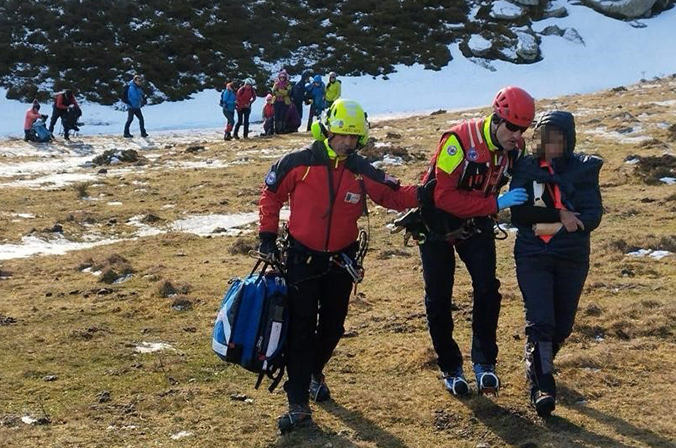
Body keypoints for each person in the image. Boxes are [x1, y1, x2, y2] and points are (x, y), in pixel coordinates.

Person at [258, 99, 418, 433]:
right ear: (329, 129)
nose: (346, 142)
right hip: (300, 259)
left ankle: (314, 373)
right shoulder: (298, 162)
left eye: (353, 137)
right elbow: (271, 194)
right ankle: (298, 401)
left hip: (340, 262)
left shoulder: (361, 170)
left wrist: (431, 190)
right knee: (301, 328)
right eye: (342, 134)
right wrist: (267, 237)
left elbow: (394, 196)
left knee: (333, 327)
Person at [415, 86, 534, 397]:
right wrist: (494, 205)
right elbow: (443, 196)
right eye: (512, 127)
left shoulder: (515, 150)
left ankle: (485, 362)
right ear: (497, 119)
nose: (517, 135)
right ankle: (450, 366)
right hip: (435, 225)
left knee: (487, 289)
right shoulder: (458, 141)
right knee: (439, 296)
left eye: (523, 129)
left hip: (476, 224)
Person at [509, 111, 603, 417]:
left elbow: (592, 216)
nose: (551, 143)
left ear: (568, 139)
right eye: (546, 137)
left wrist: (562, 217)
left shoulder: (585, 169)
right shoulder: (525, 167)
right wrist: (561, 215)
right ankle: (543, 386)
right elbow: (519, 214)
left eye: (558, 137)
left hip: (572, 257)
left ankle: (536, 360)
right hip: (533, 254)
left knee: (561, 326)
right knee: (541, 322)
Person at [271, 70, 292, 134]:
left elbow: (288, 92)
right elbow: (273, 92)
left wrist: (279, 91)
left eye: (283, 77)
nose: (282, 78)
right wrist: (283, 92)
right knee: (277, 116)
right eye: (281, 77)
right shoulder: (276, 84)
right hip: (277, 102)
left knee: (283, 116)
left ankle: (282, 129)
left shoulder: (288, 84)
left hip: (284, 102)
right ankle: (276, 130)